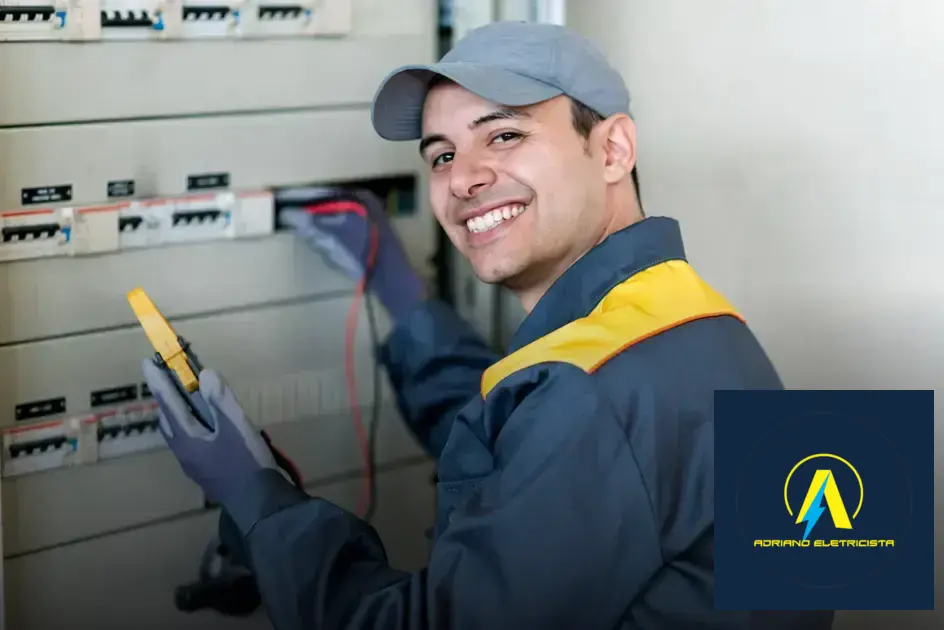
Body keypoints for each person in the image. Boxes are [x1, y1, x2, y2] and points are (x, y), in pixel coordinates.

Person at [142, 21, 835, 630]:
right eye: (441, 154)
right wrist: (406, 300)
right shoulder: (694, 321)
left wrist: (259, 503)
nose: (463, 179)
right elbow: (521, 455)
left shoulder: (595, 394)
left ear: (615, 148)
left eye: (504, 134)